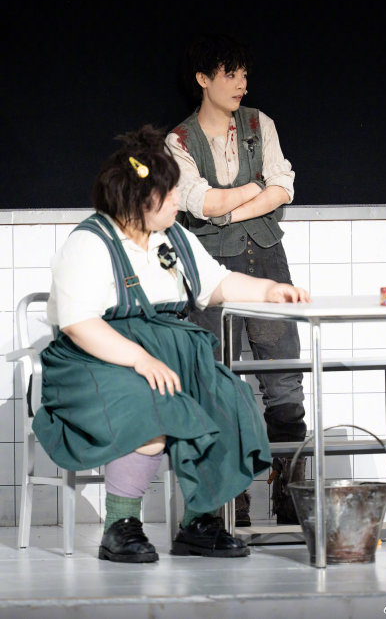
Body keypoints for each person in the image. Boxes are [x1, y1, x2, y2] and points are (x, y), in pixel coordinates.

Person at [32, 125, 310, 563]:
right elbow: (79, 323)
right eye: (172, 193)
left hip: (166, 351)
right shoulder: (89, 242)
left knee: (226, 397)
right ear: (141, 199)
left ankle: (199, 524)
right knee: (148, 401)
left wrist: (268, 289)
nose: (180, 199)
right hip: (94, 359)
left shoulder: (174, 237)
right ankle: (120, 527)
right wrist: (140, 360)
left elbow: (216, 283)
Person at [165, 34, 307, 525]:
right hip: (210, 268)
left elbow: (283, 187)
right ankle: (230, 498)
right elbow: (200, 202)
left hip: (267, 259)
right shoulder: (179, 141)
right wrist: (251, 190)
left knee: (284, 379)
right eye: (231, 74)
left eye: (244, 74)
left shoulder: (258, 124)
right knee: (215, 379)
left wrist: (229, 210)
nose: (241, 84)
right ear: (203, 79)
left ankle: (289, 491)